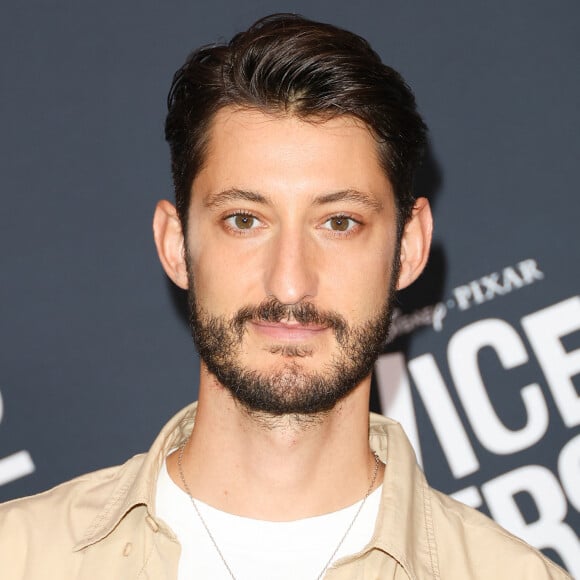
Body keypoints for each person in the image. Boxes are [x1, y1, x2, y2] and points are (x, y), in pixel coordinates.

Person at [0, 13, 571, 580]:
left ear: (410, 246)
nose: (290, 283)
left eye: (340, 222)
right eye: (245, 220)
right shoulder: (19, 556)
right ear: (176, 245)